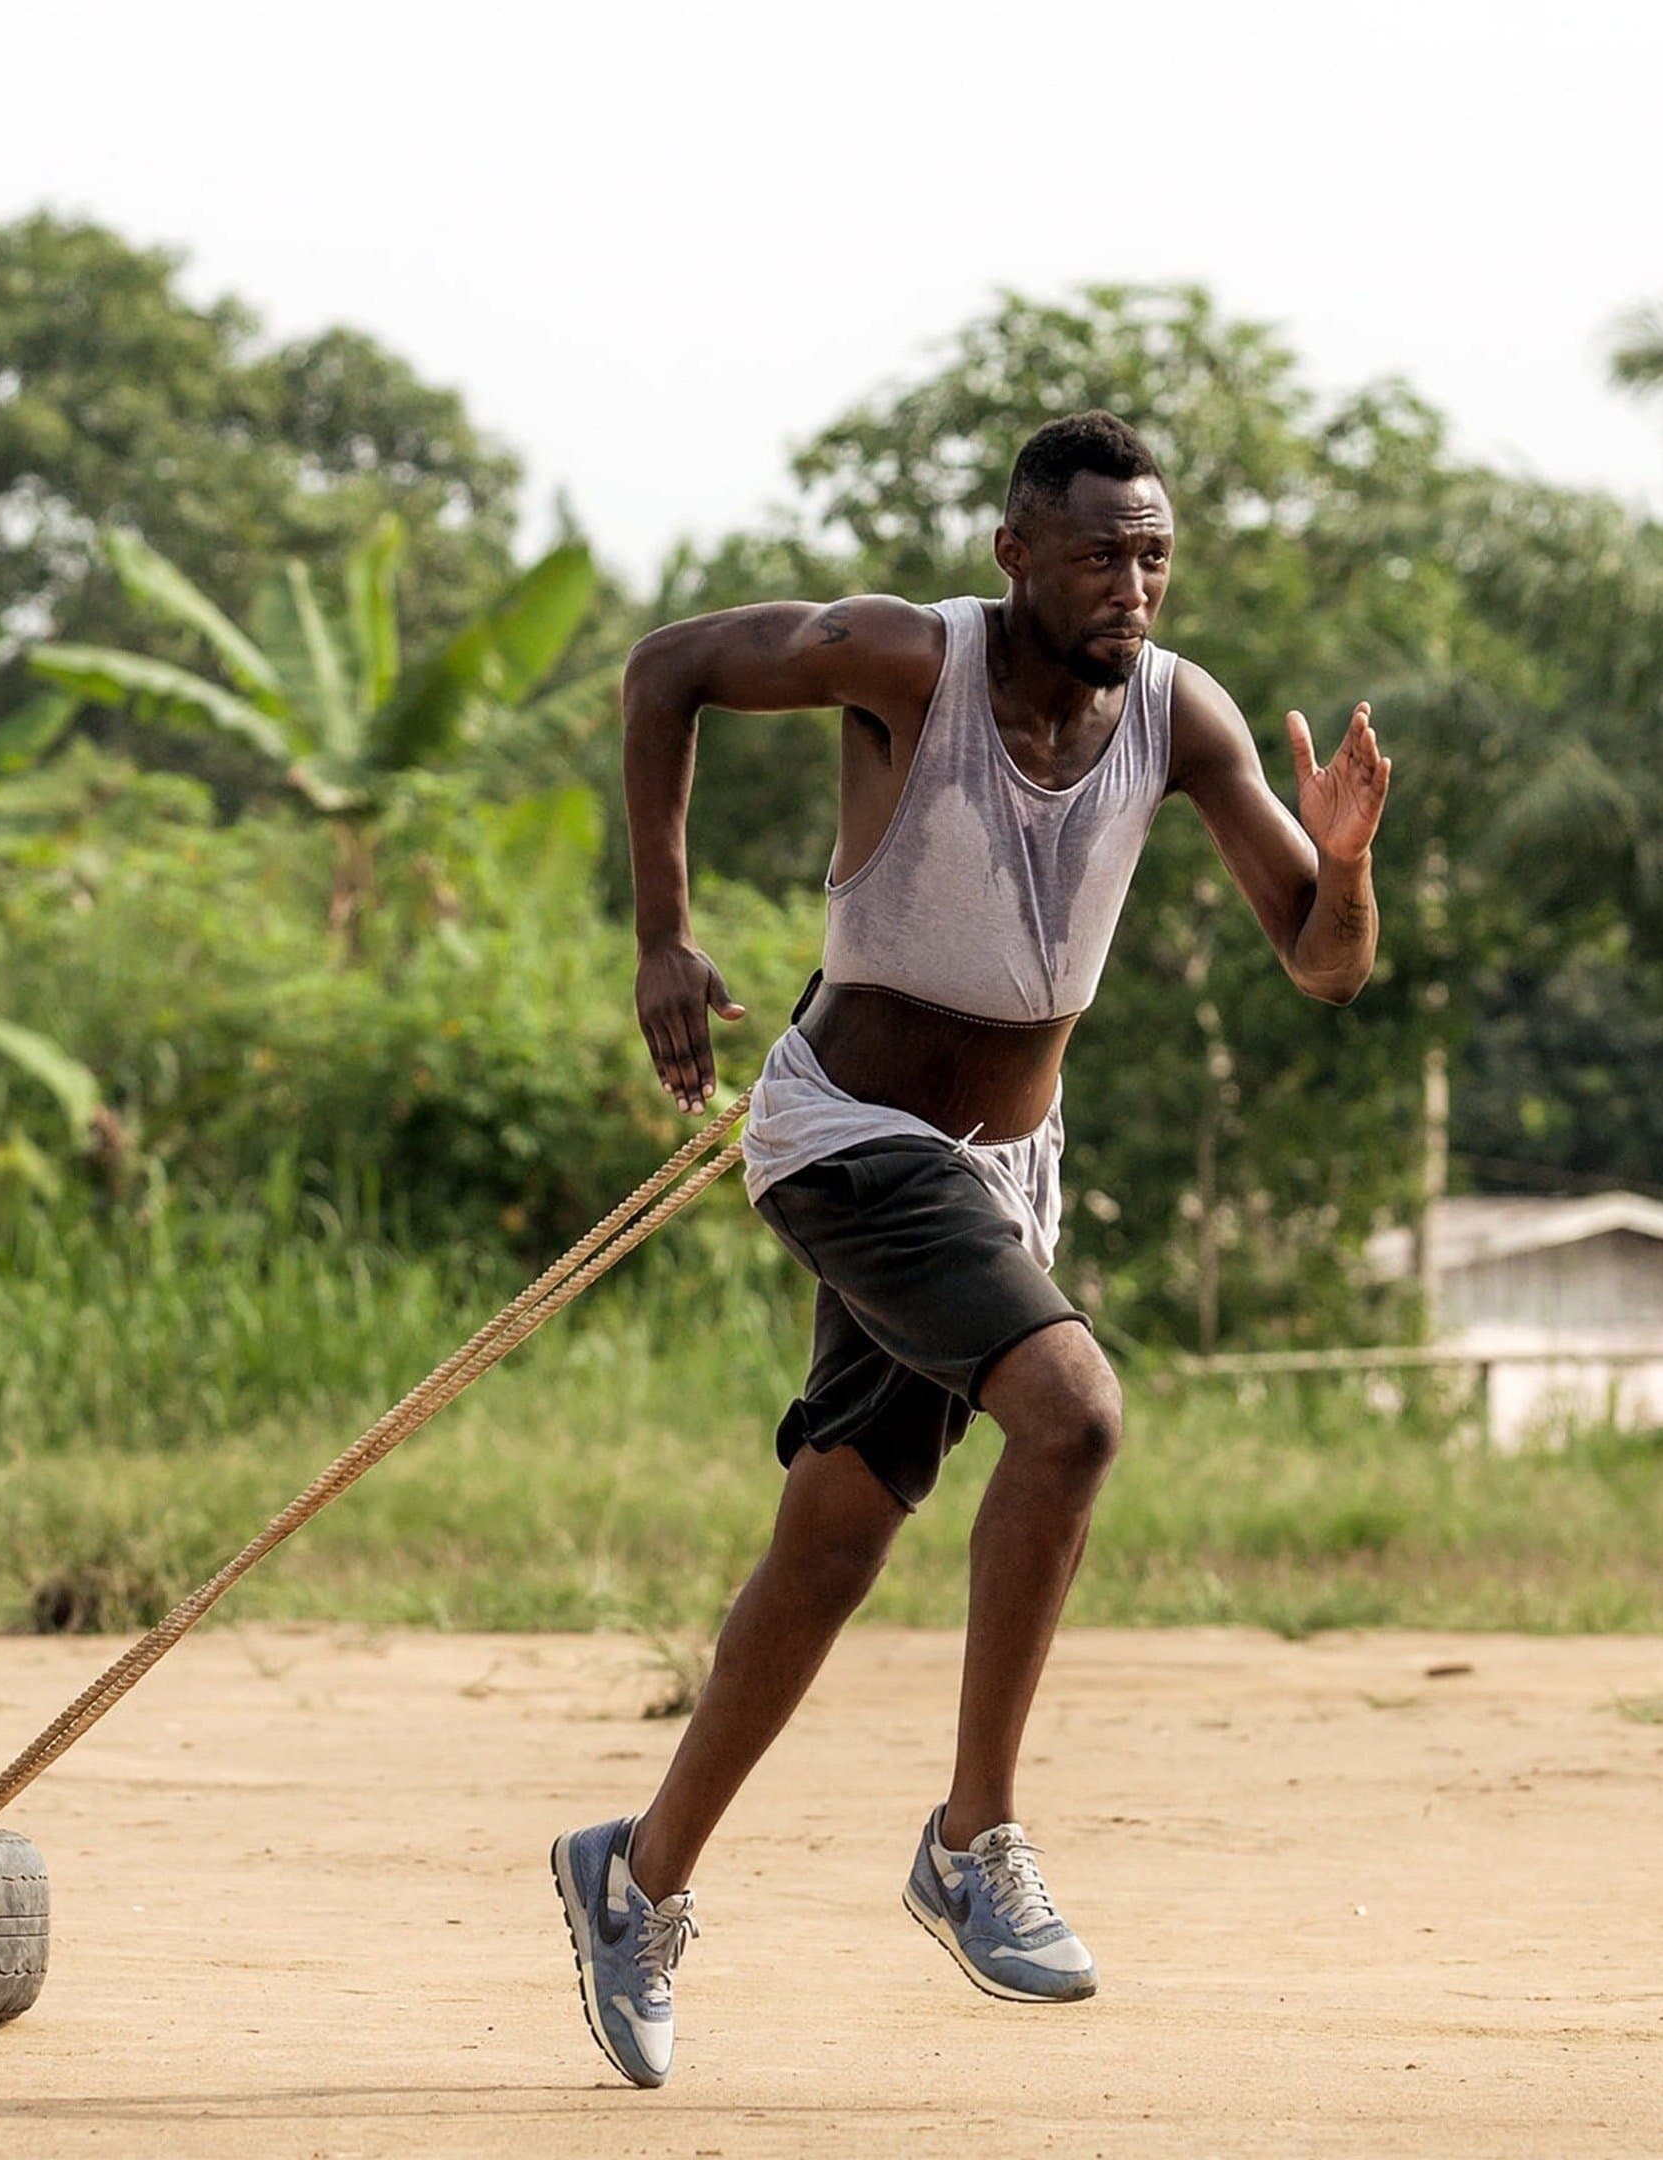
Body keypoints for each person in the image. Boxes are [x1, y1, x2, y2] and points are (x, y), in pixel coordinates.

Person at [549, 410, 1392, 2086]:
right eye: (1099, 553)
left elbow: (1325, 962)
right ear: (1017, 553)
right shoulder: (904, 664)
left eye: (1154, 553)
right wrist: (662, 929)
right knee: (1073, 1413)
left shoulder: (1180, 712)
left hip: (1004, 1177)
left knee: (836, 1544)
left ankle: (635, 1880)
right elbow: (665, 668)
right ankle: (971, 1839)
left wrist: (1350, 863)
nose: (1133, 584)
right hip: (851, 1144)